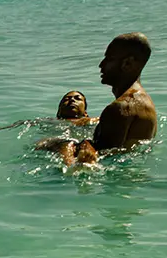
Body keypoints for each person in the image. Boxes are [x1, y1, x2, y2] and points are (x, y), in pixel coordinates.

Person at [36, 33, 157, 164]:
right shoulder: (144, 101)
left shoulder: (121, 107)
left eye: (109, 59)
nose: (101, 65)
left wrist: (56, 145)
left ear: (127, 63)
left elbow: (95, 162)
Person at [0, 90, 98, 132]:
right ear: (57, 112)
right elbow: (3, 128)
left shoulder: (94, 121)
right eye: (66, 99)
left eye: (77, 98)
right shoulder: (45, 121)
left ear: (85, 112)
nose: (71, 100)